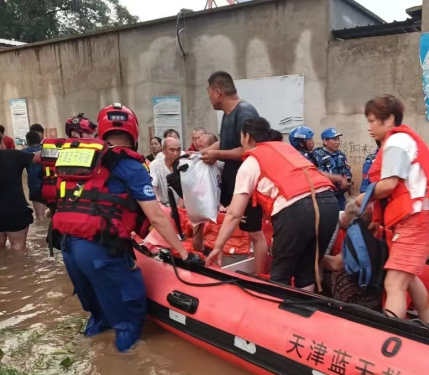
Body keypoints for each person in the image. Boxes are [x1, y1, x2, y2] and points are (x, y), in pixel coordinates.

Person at [53, 103, 191, 352]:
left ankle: (93, 360)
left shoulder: (83, 158)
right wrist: (184, 253)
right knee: (129, 313)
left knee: (99, 314)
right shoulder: (130, 165)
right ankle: (126, 370)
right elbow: (157, 217)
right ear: (134, 133)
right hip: (101, 251)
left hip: (69, 248)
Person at [205, 117, 339, 291]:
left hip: (297, 210)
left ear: (246, 137)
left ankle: (279, 313)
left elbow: (234, 213)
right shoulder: (286, 150)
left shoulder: (251, 162)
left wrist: (218, 246)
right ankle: (303, 313)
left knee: (281, 274)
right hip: (329, 205)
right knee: (306, 271)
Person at [357, 95, 429, 323]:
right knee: (409, 279)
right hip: (418, 219)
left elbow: (388, 185)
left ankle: (390, 338)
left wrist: (361, 199)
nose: (369, 127)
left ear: (389, 120)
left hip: (416, 220)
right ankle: (428, 325)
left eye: (373, 121)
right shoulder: (402, 141)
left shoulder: (396, 142)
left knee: (394, 283)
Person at [201, 71, 268, 274]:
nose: (209, 97)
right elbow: (227, 142)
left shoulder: (245, 112)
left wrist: (217, 154)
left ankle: (260, 277)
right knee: (239, 227)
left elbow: (249, 151)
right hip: (232, 179)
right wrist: (206, 152)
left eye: (209, 92)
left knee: (255, 233)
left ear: (218, 92)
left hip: (247, 182)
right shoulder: (228, 115)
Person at [321, 199, 383, 310]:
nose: (342, 216)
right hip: (375, 288)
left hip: (357, 293)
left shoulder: (357, 237)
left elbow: (336, 264)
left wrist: (312, 254)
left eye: (345, 214)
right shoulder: (377, 231)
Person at [0, 148, 36, 249]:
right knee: (18, 247)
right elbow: (38, 157)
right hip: (14, 209)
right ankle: (18, 265)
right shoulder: (14, 155)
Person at [312, 127, 353, 210]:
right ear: (325, 141)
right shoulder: (317, 155)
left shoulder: (340, 155)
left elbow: (347, 174)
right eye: (334, 139)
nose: (337, 142)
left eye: (338, 139)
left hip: (340, 197)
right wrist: (338, 179)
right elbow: (317, 175)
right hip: (325, 198)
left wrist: (352, 197)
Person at [149, 137, 182, 204]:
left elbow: (187, 191)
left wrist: (179, 209)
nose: (175, 154)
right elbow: (153, 187)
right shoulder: (155, 165)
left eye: (178, 150)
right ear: (163, 150)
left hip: (182, 207)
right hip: (162, 205)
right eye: (172, 150)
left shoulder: (184, 165)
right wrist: (159, 204)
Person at [22, 131, 46, 220]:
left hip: (34, 186)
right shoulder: (46, 149)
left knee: (40, 216)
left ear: (28, 140)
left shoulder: (24, 152)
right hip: (49, 185)